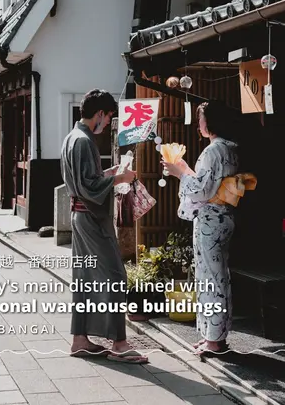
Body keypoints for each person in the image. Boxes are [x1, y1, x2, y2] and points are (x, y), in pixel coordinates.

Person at [61, 89, 148, 364]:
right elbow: (89, 187)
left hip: (81, 216)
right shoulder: (84, 142)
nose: (109, 122)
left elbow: (86, 182)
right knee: (114, 275)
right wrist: (121, 176)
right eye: (109, 117)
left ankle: (80, 339)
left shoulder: (71, 138)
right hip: (91, 218)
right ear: (99, 114)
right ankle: (119, 344)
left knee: (85, 278)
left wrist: (109, 174)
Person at [162, 100, 244, 355]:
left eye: (201, 120)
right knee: (216, 276)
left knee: (212, 278)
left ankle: (215, 340)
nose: (199, 125)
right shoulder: (230, 148)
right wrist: (185, 169)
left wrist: (179, 174)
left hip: (211, 219)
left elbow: (201, 190)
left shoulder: (213, 151)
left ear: (210, 122)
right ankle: (212, 334)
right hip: (223, 217)